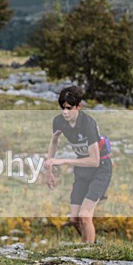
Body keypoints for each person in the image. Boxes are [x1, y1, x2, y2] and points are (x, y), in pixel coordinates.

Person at [44, 86, 112, 243]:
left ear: (78, 106)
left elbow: (94, 161)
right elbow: (54, 141)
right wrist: (49, 170)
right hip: (82, 170)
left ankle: (89, 255)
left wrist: (62, 161)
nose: (65, 112)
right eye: (62, 108)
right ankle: (88, 246)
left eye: (69, 108)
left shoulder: (88, 123)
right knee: (75, 219)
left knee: (85, 216)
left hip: (100, 169)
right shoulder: (59, 121)